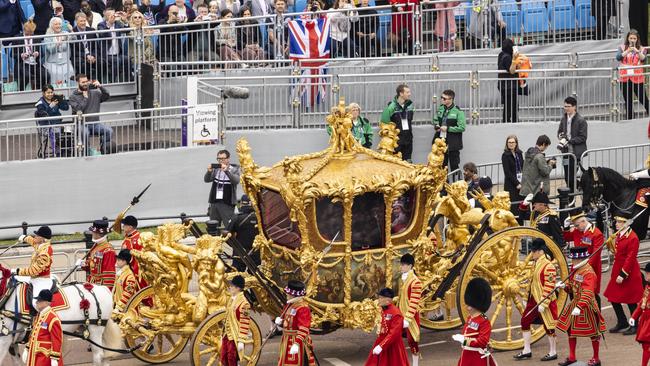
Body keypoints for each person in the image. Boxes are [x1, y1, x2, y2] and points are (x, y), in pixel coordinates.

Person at [556, 246, 606, 366]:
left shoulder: (589, 272)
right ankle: (572, 357)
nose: (572, 262)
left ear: (580, 259)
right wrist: (565, 287)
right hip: (576, 303)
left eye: (574, 259)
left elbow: (588, 292)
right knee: (570, 329)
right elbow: (573, 287)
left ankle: (596, 358)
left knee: (593, 333)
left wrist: (579, 307)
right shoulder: (576, 269)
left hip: (587, 305)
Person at [514, 238, 559, 361]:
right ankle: (526, 350)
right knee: (525, 321)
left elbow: (549, 286)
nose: (532, 254)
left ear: (539, 251)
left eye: (533, 251)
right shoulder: (536, 263)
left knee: (549, 326)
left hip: (545, 300)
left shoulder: (548, 265)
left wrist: (544, 303)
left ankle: (553, 351)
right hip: (533, 299)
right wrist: (525, 297)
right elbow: (531, 282)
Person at [604, 214, 643, 335]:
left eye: (619, 222)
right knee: (613, 297)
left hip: (628, 272)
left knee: (631, 301)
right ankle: (622, 321)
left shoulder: (632, 237)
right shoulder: (619, 234)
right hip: (618, 269)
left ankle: (634, 324)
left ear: (626, 223)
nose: (616, 224)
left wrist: (623, 274)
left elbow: (630, 258)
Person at [563, 209, 604, 307]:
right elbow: (566, 237)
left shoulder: (596, 233)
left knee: (590, 293)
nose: (576, 228)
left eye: (577, 225)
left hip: (589, 268)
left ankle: (596, 317)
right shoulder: (577, 231)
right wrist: (566, 226)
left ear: (583, 221)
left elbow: (595, 254)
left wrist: (583, 268)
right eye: (575, 226)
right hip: (576, 266)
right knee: (574, 291)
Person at [452, 277, 497, 366]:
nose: (467, 305)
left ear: (477, 303)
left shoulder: (484, 321)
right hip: (466, 355)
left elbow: (482, 341)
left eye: (470, 304)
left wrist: (464, 341)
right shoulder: (470, 318)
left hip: (477, 358)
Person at [69, 73, 113, 155]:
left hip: (95, 124)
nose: (85, 84)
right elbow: (78, 110)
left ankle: (104, 151)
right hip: (81, 124)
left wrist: (100, 86)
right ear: (78, 83)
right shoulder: (73, 97)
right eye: (83, 82)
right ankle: (86, 154)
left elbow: (106, 96)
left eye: (86, 81)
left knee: (109, 131)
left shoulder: (95, 92)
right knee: (85, 133)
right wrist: (85, 98)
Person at [364, 288, 410, 366]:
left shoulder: (396, 314)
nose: (379, 300)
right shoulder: (384, 310)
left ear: (387, 300)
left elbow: (393, 334)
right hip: (383, 342)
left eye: (381, 298)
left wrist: (381, 346)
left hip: (393, 347)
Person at [275, 280, 315, 365]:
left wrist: (297, 344)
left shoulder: (303, 308)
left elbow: (304, 328)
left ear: (293, 295)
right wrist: (281, 322)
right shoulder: (289, 305)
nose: (286, 294)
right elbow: (288, 322)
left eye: (288, 293)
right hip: (286, 341)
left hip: (297, 342)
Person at [12, 226, 54, 309]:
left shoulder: (44, 253)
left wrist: (17, 271)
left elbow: (33, 271)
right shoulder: (41, 245)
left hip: (41, 280)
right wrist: (25, 238)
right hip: (35, 278)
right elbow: (33, 242)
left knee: (36, 304)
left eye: (37, 235)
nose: (35, 237)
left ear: (42, 238)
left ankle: (40, 319)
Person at [22, 290, 62, 366]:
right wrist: (27, 349)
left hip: (44, 357)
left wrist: (54, 358)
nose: (37, 302)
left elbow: (57, 340)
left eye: (39, 300)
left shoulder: (53, 318)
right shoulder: (39, 315)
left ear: (47, 302)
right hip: (34, 354)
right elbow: (33, 333)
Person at [616, 29, 650, 120]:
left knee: (643, 98)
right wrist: (627, 51)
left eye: (634, 38)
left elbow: (643, 59)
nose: (632, 40)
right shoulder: (622, 47)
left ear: (637, 39)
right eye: (631, 38)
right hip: (625, 77)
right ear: (628, 38)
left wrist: (636, 50)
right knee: (628, 100)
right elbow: (618, 57)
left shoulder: (642, 48)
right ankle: (630, 118)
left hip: (637, 77)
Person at [557, 96, 587, 193]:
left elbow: (583, 137)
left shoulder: (581, 120)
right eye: (565, 106)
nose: (566, 108)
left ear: (574, 107)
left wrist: (569, 140)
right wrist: (561, 136)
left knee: (571, 177)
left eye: (568, 106)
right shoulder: (564, 119)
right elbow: (559, 132)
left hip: (576, 153)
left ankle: (577, 192)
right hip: (566, 153)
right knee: (567, 177)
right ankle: (574, 195)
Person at [204, 149, 240, 227]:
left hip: (227, 203)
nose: (221, 161)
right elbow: (206, 180)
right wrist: (209, 171)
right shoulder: (216, 169)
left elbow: (236, 181)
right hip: (214, 202)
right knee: (213, 225)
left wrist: (226, 171)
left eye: (223, 159)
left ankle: (229, 239)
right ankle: (215, 239)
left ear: (228, 158)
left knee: (229, 226)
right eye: (219, 159)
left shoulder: (234, 169)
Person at [433, 89, 465, 175]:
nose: (442, 99)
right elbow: (435, 119)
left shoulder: (458, 111)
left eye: (444, 98)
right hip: (440, 142)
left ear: (451, 99)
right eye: (442, 97)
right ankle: (443, 187)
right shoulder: (440, 108)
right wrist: (436, 126)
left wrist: (448, 128)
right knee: (442, 166)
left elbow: (462, 127)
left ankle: (457, 186)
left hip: (453, 143)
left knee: (454, 166)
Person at [221, 275, 251, 366]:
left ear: (238, 288)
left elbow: (245, 323)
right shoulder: (231, 300)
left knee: (232, 358)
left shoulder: (244, 304)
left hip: (235, 336)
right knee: (224, 357)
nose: (230, 287)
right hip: (227, 335)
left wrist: (241, 340)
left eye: (232, 286)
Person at [225, 195, 259, 271]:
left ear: (241, 204)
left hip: (239, 253)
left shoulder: (237, 218)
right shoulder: (259, 218)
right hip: (256, 253)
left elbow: (226, 236)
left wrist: (236, 247)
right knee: (256, 278)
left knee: (237, 276)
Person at [79, 219, 117, 290]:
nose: (92, 234)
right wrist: (83, 264)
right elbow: (93, 264)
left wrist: (106, 291)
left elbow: (109, 275)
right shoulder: (96, 246)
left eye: (93, 232)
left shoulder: (108, 251)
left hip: (100, 287)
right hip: (92, 283)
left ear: (98, 234)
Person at [11, 20, 48, 92]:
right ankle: (21, 91)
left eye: (31, 34)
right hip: (22, 64)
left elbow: (42, 53)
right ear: (24, 30)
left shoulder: (37, 38)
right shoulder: (17, 38)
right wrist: (21, 55)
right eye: (27, 34)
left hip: (35, 63)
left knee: (45, 75)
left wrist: (38, 53)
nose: (29, 36)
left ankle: (40, 91)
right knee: (26, 75)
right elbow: (12, 54)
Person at [380, 84, 414, 161]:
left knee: (408, 161)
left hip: (408, 138)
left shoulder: (410, 105)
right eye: (407, 92)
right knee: (395, 162)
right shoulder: (390, 107)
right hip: (396, 141)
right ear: (401, 94)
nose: (410, 94)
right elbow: (384, 123)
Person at [398, 253, 421, 366]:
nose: (401, 267)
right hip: (401, 313)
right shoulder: (402, 279)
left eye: (403, 265)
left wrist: (407, 319)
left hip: (410, 317)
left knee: (412, 341)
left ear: (410, 266)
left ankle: (415, 364)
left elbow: (414, 302)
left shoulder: (415, 282)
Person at [97, 8, 129, 83]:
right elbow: (102, 34)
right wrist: (109, 24)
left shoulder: (118, 23)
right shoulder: (101, 24)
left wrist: (125, 21)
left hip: (117, 53)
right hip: (106, 55)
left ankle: (129, 79)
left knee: (127, 59)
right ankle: (113, 81)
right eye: (110, 15)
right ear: (105, 16)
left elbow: (127, 30)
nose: (112, 17)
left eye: (113, 14)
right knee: (116, 61)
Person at [43, 17, 75, 88]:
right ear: (52, 26)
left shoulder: (65, 33)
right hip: (53, 62)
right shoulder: (48, 36)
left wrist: (71, 30)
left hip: (65, 61)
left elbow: (74, 39)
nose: (58, 26)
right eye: (56, 24)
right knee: (56, 73)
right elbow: (50, 49)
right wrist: (58, 43)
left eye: (59, 24)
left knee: (70, 71)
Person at [630, 262, 650, 365]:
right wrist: (634, 316)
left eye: (647, 273)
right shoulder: (648, 287)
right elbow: (642, 302)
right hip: (646, 320)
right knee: (646, 346)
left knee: (647, 345)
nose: (646, 275)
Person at [501, 134, 524, 221]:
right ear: (507, 144)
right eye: (509, 142)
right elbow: (507, 172)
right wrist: (517, 183)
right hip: (511, 184)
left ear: (516, 143)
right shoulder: (505, 155)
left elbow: (522, 166)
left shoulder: (519, 153)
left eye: (513, 142)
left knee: (521, 206)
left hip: (520, 182)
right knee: (513, 207)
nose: (511, 144)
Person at [118, 214, 145, 287]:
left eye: (124, 225)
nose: (123, 227)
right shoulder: (128, 237)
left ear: (130, 227)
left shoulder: (138, 239)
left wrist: (132, 273)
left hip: (135, 272)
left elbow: (138, 259)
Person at [71, 12, 99, 80]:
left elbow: (96, 47)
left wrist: (93, 56)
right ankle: (87, 82)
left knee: (101, 62)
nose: (83, 23)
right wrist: (86, 56)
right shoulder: (73, 32)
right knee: (83, 64)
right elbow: (74, 51)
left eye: (84, 21)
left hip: (91, 56)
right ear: (76, 21)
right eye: (81, 21)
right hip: (79, 56)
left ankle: (98, 83)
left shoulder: (91, 30)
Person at [497, 38, 518, 123]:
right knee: (511, 107)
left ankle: (508, 121)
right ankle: (510, 122)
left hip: (504, 85)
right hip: (509, 87)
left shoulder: (501, 54)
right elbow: (512, 71)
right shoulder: (507, 57)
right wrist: (514, 58)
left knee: (508, 106)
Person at [112, 249, 139, 313]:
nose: (117, 262)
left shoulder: (129, 276)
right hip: (119, 307)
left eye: (118, 260)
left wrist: (118, 308)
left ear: (124, 261)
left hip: (126, 310)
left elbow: (127, 294)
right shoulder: (121, 273)